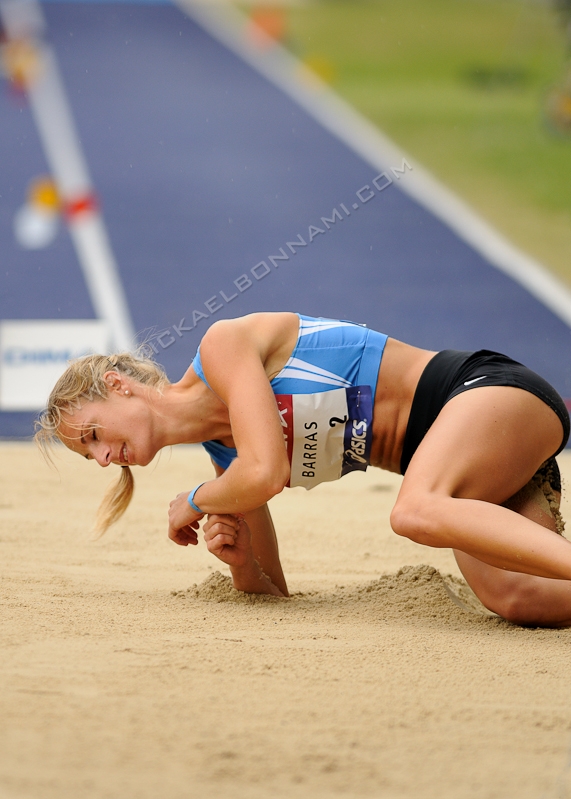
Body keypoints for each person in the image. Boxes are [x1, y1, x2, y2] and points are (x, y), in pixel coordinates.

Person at [35, 312, 571, 626]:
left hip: (483, 393)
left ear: (117, 385)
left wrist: (198, 500)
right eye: (92, 458)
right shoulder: (228, 463)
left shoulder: (222, 347)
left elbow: (265, 472)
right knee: (514, 597)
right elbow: (272, 593)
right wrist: (242, 563)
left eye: (94, 435)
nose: (105, 458)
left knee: (413, 511)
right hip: (467, 464)